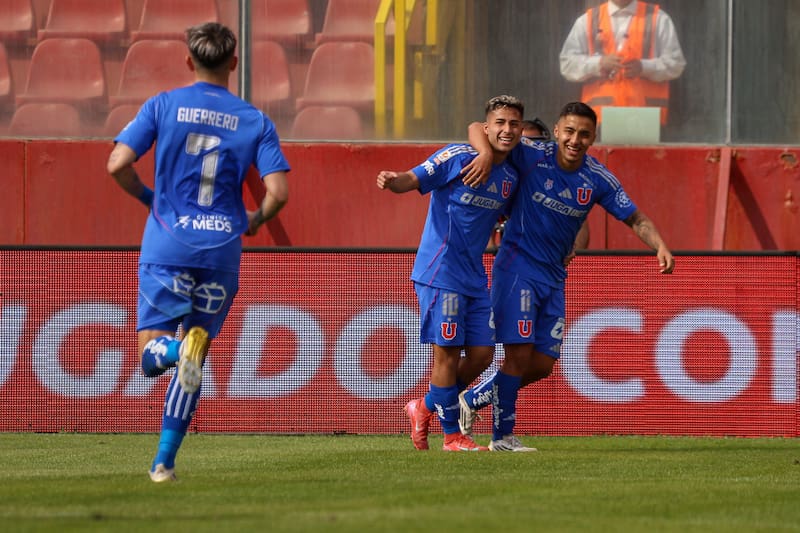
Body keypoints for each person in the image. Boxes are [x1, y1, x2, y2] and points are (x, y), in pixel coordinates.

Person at [106, 22, 290, 481]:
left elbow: (118, 164)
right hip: (221, 250)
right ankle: (164, 462)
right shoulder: (254, 120)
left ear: (189, 61)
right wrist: (256, 219)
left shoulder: (162, 104)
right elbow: (279, 193)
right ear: (233, 62)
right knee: (195, 361)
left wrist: (151, 199)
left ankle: (173, 349)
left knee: (155, 354)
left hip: (168, 243)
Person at [461, 101, 674, 451]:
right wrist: (484, 155)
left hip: (554, 275)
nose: (575, 139)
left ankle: (473, 399)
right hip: (517, 268)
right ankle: (502, 438)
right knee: (518, 354)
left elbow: (635, 218)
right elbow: (476, 126)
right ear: (557, 131)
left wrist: (660, 245)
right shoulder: (530, 153)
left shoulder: (597, 178)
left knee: (543, 363)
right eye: (570, 131)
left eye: (584, 134)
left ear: (593, 138)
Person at [376, 95, 524, 451]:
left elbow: (501, 220)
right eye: (499, 123)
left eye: (513, 124)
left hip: (474, 275)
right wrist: (393, 180)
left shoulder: (510, 177)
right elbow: (413, 178)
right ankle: (452, 436)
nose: (507, 130)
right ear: (486, 127)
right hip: (440, 271)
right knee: (447, 351)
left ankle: (423, 406)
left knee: (482, 355)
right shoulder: (457, 156)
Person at [559, 0, 686, 125]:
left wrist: (644, 67)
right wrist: (599, 63)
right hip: (599, 120)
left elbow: (676, 64)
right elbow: (567, 64)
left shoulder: (658, 19)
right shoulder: (586, 21)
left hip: (647, 119)